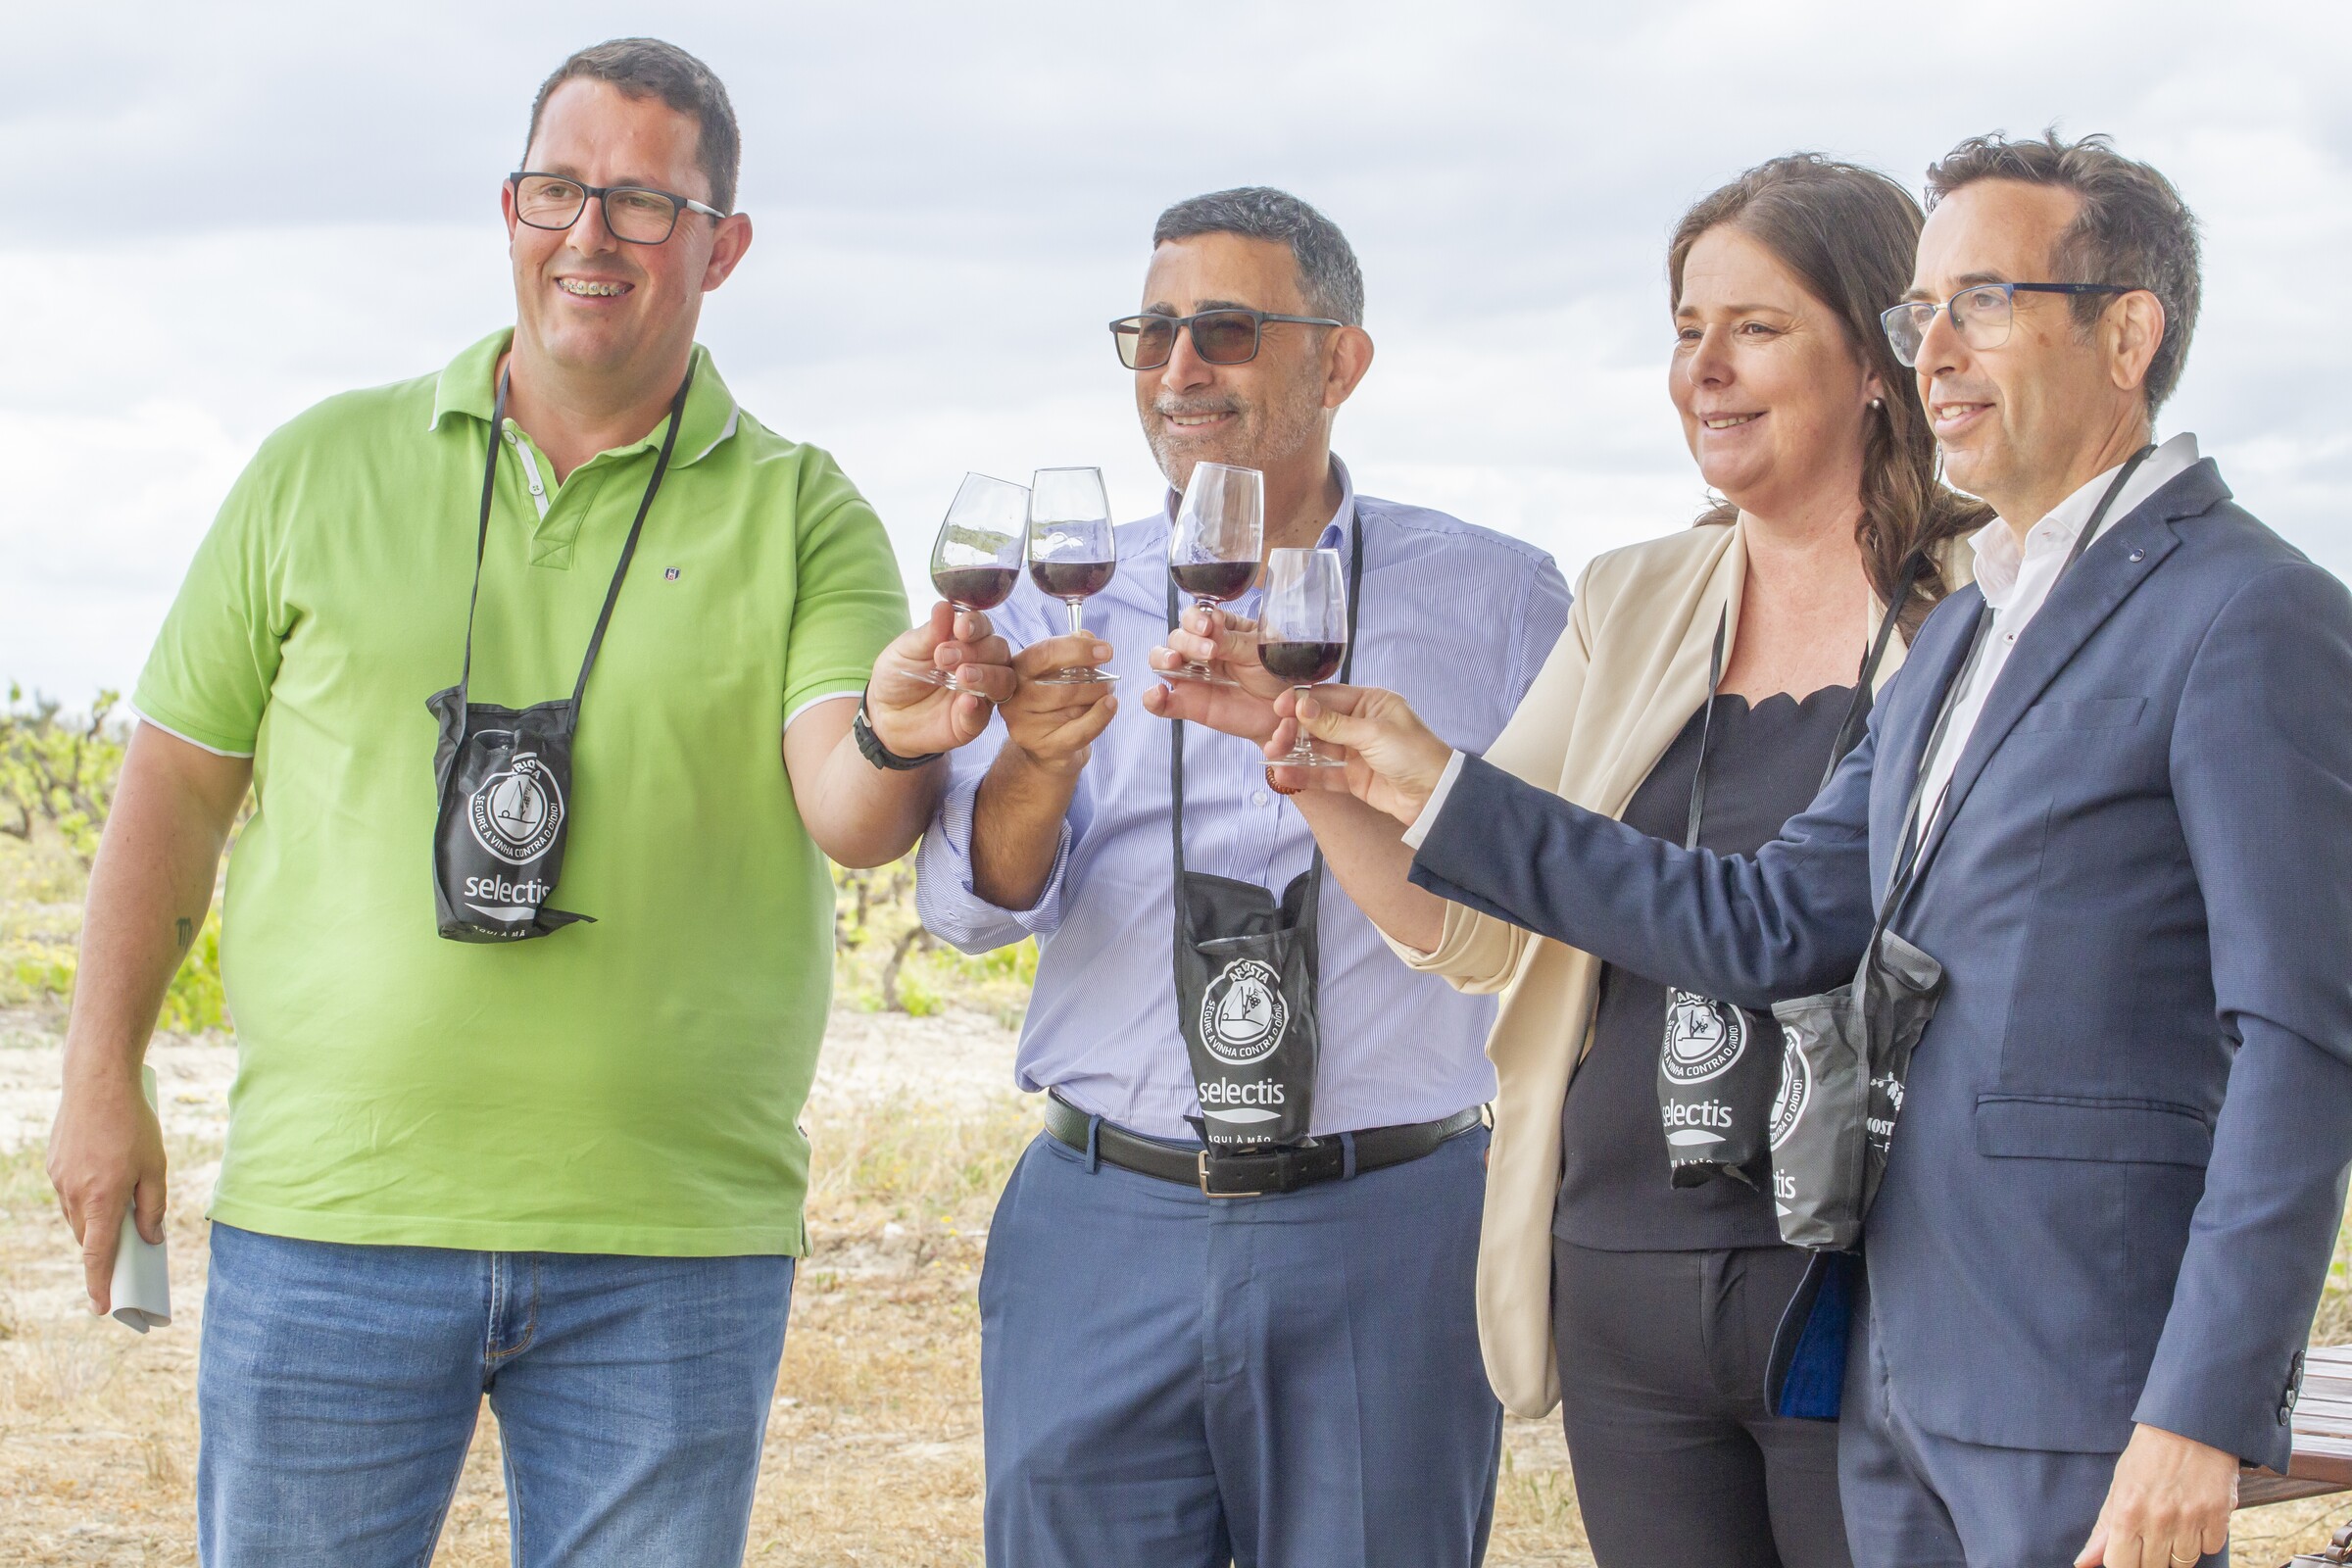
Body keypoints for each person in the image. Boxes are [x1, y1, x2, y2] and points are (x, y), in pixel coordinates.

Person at [1272, 130, 2352, 1568]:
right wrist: (1427, 780)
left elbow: (2301, 1043)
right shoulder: (1972, 627)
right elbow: (1771, 922)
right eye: (1922, 313)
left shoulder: (2251, 614)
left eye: (1985, 301)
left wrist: (2203, 1409)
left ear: (2128, 333)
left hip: (2076, 1393)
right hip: (1899, 1379)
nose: (1937, 349)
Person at [44, 38, 1009, 1567]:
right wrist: (102, 1069)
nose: (587, 236)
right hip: (333, 1220)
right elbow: (174, 776)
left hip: (670, 1248)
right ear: (509, 207)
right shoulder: (315, 469)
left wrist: (901, 740)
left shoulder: (805, 508)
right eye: (555, 189)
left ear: (723, 246)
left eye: (640, 203)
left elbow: (852, 804)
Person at [1162, 154, 1984, 1567]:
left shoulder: (1991, 603)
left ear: (1876, 356)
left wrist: (1440, 779)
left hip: (1881, 1271)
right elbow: (1475, 925)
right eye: (1684, 328)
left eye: (1756, 327)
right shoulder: (1633, 596)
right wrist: (1301, 759)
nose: (1703, 371)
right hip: (1622, 1268)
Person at [914, 186, 1571, 1567]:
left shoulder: (1503, 600)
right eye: (1148, 334)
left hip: (1389, 1230)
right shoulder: (1063, 593)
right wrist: (1034, 765)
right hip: (1106, 1222)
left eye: (1223, 329)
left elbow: (1548, 906)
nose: (1176, 369)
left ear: (1341, 360)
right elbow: (976, 907)